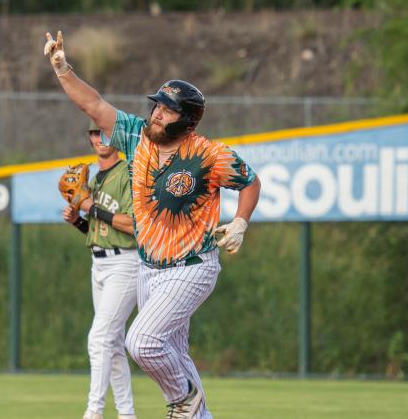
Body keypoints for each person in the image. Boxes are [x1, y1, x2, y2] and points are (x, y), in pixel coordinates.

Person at [46, 31, 261, 419]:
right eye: (157, 106)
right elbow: (93, 105)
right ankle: (198, 414)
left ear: (189, 119)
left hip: (191, 267)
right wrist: (63, 69)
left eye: (167, 109)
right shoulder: (135, 137)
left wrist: (240, 221)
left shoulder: (209, 154)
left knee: (142, 342)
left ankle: (183, 401)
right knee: (175, 353)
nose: (157, 113)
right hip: (149, 269)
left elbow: (250, 181)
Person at [62, 120, 140, 419]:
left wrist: (90, 207)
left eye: (106, 132)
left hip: (126, 264)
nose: (101, 138)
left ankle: (93, 412)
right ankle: (126, 415)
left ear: (117, 138)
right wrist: (79, 221)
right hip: (100, 263)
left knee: (99, 339)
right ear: (91, 139)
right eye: (96, 133)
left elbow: (134, 227)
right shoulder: (94, 180)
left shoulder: (127, 174)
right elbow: (101, 233)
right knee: (113, 344)